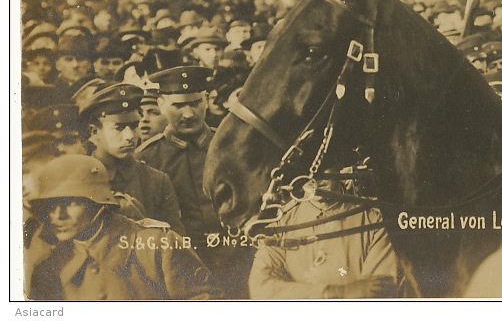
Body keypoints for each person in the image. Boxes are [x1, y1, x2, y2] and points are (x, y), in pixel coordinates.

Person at [26, 154, 221, 300]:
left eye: (72, 203)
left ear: (99, 203)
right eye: (51, 206)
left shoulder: (156, 245)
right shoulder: (49, 261)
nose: (58, 216)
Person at [136, 65, 252, 297]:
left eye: (196, 103)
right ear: (160, 105)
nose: (188, 114)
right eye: (178, 105)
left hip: (238, 263)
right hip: (181, 269)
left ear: (207, 100)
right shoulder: (146, 158)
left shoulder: (232, 146)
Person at [248, 175, 401, 299]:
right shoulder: (282, 224)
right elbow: (260, 287)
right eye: (307, 167)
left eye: (325, 166)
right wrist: (337, 293)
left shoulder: (372, 220)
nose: (315, 177)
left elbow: (378, 292)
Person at [81, 82, 185, 232]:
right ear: (94, 132)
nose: (130, 136)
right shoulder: (79, 179)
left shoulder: (156, 181)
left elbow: (176, 241)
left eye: (134, 126)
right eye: (119, 128)